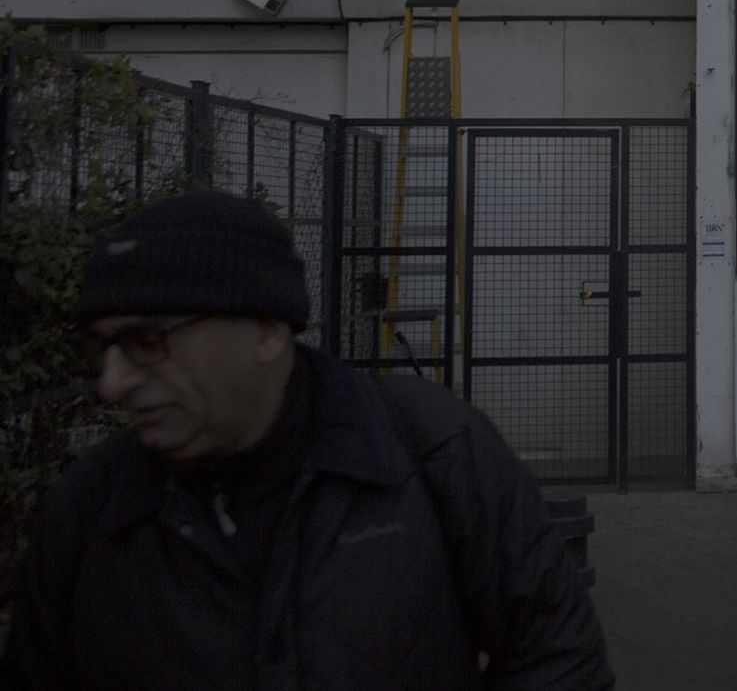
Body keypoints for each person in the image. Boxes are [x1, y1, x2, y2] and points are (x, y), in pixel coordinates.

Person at [0, 189, 612, 690]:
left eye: (148, 341)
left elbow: (557, 657)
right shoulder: (89, 512)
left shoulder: (433, 452)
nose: (113, 382)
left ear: (267, 332)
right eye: (104, 346)